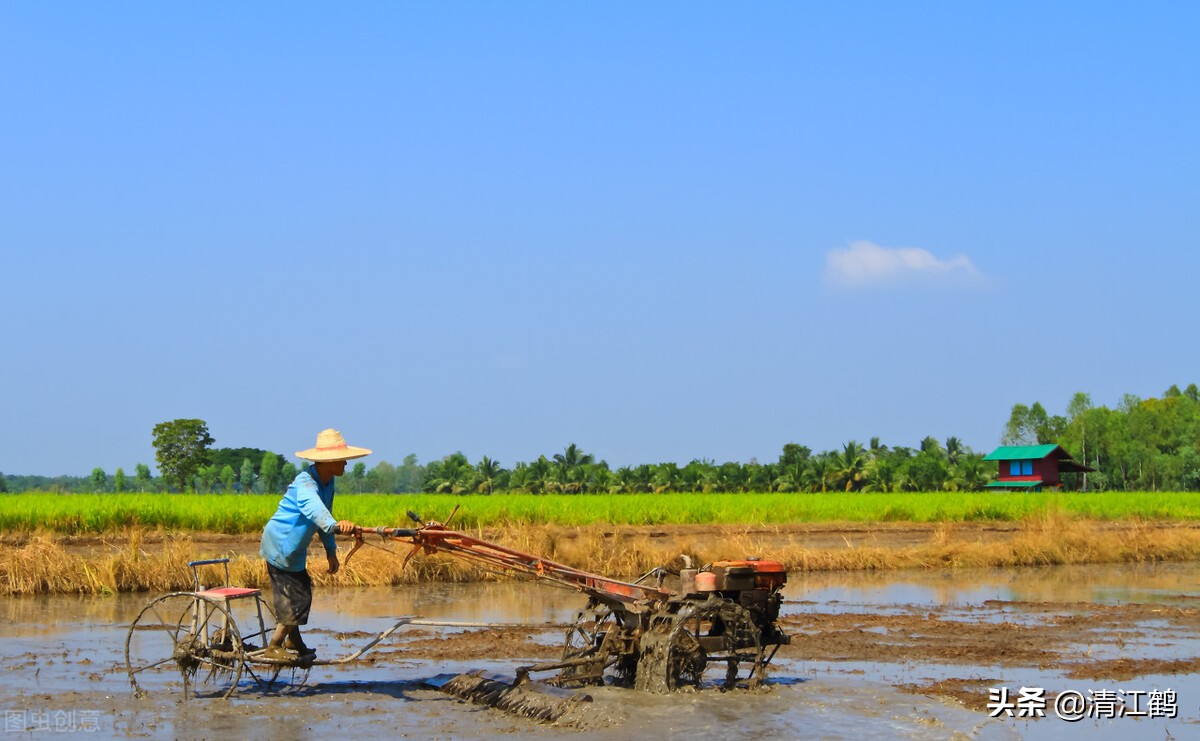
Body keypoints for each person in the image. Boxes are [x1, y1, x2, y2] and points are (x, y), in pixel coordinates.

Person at [259, 428, 371, 660]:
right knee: (296, 597)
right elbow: (317, 512)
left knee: (300, 589)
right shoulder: (306, 485)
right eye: (342, 460)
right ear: (328, 462)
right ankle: (274, 646)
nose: (346, 464)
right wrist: (337, 525)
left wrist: (331, 551)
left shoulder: (327, 483)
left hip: (294, 549)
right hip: (281, 545)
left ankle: (293, 639)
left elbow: (324, 517)